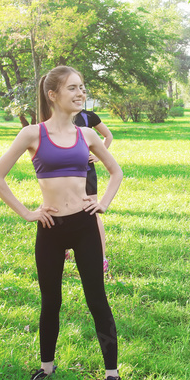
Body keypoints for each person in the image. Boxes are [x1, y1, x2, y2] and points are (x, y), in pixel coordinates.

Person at [0, 66, 124, 380]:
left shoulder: (87, 135)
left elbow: (116, 171)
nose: (80, 93)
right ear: (53, 95)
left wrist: (102, 202)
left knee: (97, 299)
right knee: (51, 301)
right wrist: (27, 213)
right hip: (50, 228)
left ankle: (112, 374)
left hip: (84, 225)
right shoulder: (32, 134)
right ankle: (46, 367)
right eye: (72, 88)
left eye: (82, 88)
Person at [74, 104, 113, 272]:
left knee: (92, 212)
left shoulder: (89, 116)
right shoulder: (53, 117)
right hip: (62, 175)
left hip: (87, 171)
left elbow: (108, 135)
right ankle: (65, 250)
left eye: (81, 89)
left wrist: (98, 155)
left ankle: (101, 257)